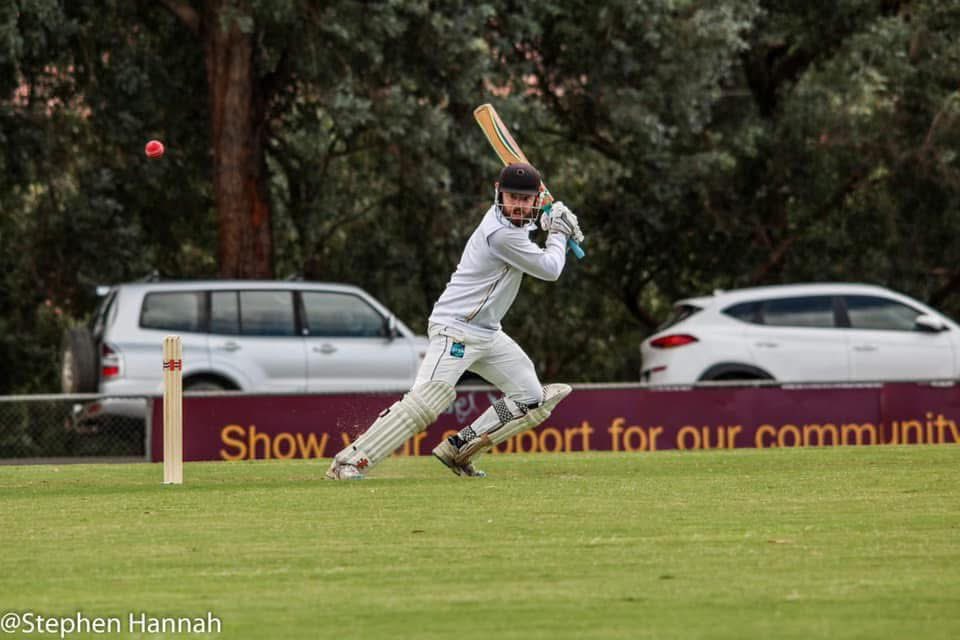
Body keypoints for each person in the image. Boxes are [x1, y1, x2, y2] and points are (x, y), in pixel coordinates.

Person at [326, 162, 584, 480]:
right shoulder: (499, 234)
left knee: (530, 398)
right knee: (428, 399)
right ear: (499, 194)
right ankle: (348, 462)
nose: (518, 205)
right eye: (512, 197)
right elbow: (550, 269)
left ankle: (459, 449)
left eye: (525, 199)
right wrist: (558, 232)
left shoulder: (516, 226)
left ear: (535, 200)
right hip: (456, 329)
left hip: (488, 332)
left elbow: (526, 232)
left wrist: (547, 220)